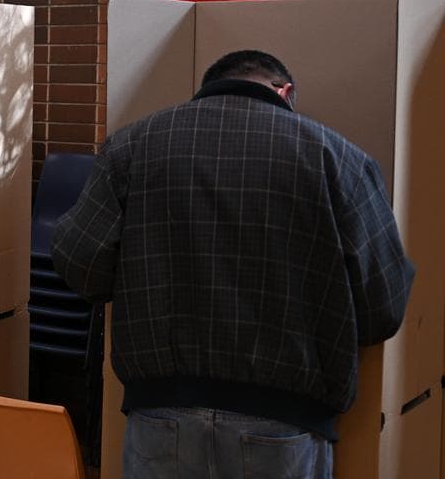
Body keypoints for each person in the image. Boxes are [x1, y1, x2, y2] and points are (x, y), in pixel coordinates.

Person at [51, 50, 415, 479]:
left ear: (206, 89)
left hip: (160, 416)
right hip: (285, 423)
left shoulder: (132, 147)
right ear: (285, 92)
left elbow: (80, 265)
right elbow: (383, 308)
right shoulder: (340, 160)